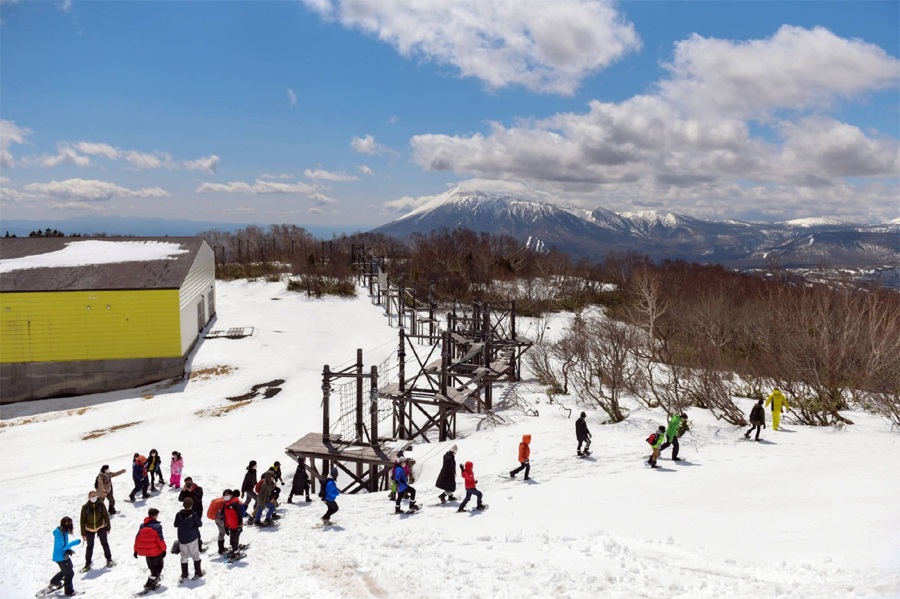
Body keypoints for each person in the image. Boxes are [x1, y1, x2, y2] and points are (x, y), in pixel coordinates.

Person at [41, 516, 81, 597]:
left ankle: (54, 582)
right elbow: (62, 546)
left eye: (70, 523)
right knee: (69, 573)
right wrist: (75, 542)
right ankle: (69, 591)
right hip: (60, 557)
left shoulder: (64, 532)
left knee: (68, 568)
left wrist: (69, 550)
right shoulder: (59, 533)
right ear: (63, 524)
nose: (69, 525)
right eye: (67, 523)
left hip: (64, 555)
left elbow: (64, 546)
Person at [79, 490, 114, 572]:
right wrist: (83, 533)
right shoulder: (85, 507)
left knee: (104, 543)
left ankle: (109, 559)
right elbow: (82, 521)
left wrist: (108, 527)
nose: (94, 498)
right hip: (89, 529)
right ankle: (87, 563)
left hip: (100, 527)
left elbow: (106, 515)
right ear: (89, 497)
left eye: (95, 496)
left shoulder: (101, 505)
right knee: (90, 546)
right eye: (92, 496)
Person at [133, 508, 166, 592]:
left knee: (152, 567)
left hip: (146, 552)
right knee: (159, 567)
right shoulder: (157, 527)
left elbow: (137, 538)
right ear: (155, 516)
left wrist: (135, 550)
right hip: (155, 552)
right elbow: (160, 540)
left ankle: (154, 581)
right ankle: (149, 584)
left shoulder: (142, 526)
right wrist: (164, 549)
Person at [174, 497, 204, 582]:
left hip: (182, 538)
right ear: (191, 505)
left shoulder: (178, 514)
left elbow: (175, 524)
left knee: (184, 555)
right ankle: (198, 572)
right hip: (192, 538)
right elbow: (200, 524)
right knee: (195, 554)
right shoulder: (194, 515)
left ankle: (184, 574)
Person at [178, 477, 205, 550]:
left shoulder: (199, 489)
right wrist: (183, 491)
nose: (189, 484)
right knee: (190, 527)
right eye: (187, 483)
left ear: (192, 482)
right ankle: (193, 541)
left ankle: (198, 544)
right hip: (188, 511)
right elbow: (180, 499)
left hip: (197, 511)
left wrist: (192, 491)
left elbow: (198, 499)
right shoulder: (186, 491)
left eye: (190, 482)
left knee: (195, 526)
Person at [222, 489, 246, 561]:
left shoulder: (235, 503)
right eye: (224, 495)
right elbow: (225, 517)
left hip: (236, 526)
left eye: (227, 495)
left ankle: (236, 553)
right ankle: (234, 550)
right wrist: (226, 527)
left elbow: (239, 515)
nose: (226, 496)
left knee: (234, 541)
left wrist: (239, 525)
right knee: (232, 540)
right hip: (231, 526)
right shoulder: (226, 504)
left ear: (231, 495)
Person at [206, 490, 229, 555]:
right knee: (231, 532)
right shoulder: (223, 502)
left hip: (216, 519)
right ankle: (233, 547)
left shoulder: (218, 500)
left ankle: (221, 549)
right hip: (222, 520)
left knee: (221, 533)